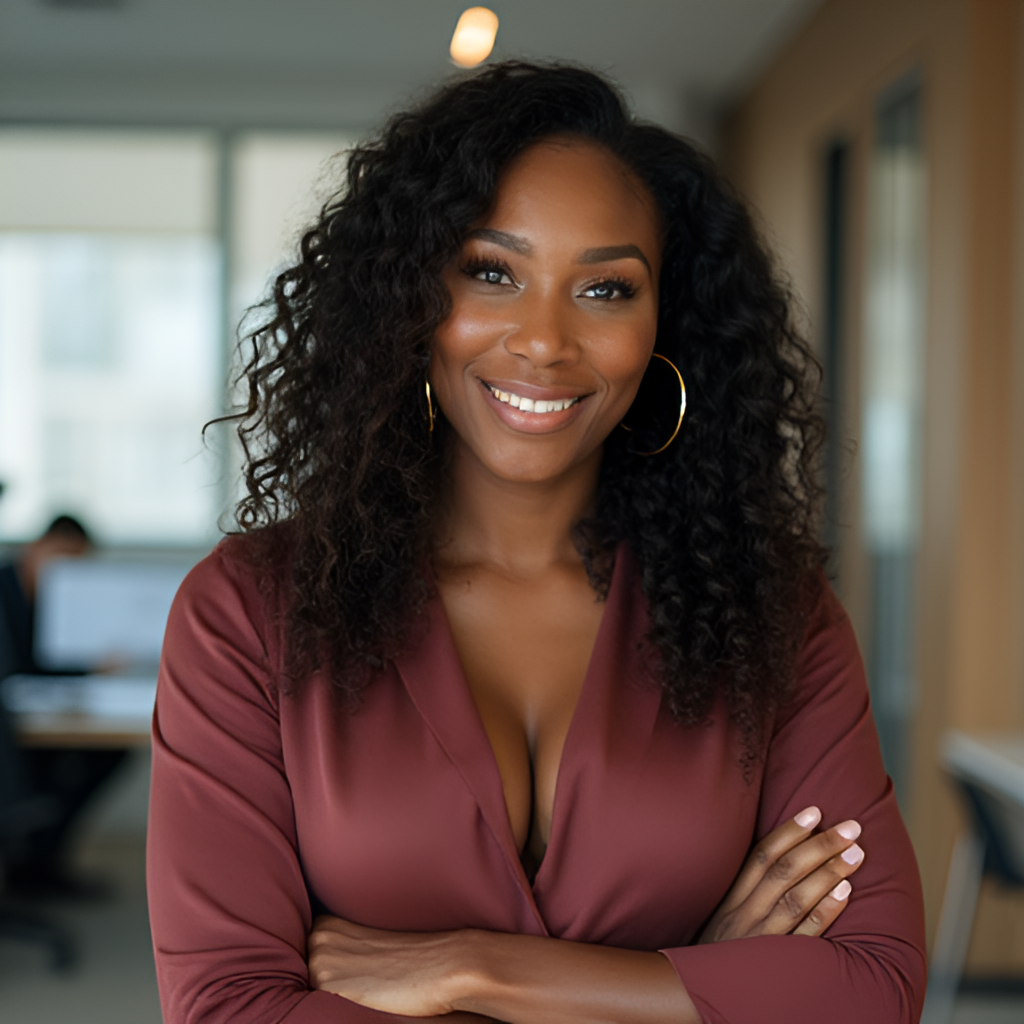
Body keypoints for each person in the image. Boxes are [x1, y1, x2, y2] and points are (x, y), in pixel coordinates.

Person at [147, 63, 926, 1024]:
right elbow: (229, 1008)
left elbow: (874, 989)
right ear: (408, 300)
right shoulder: (251, 610)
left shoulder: (770, 609)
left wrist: (476, 970)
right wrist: (689, 985)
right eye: (490, 271)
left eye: (605, 288)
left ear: (663, 326)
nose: (545, 340)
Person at [0, 514, 128, 896]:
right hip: (13, 733)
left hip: (34, 723)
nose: (67, 572)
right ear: (35, 549)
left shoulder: (59, 600)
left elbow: (47, 663)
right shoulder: (6, 589)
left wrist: (91, 668)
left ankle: (39, 862)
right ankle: (29, 855)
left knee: (108, 753)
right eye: (61, 559)